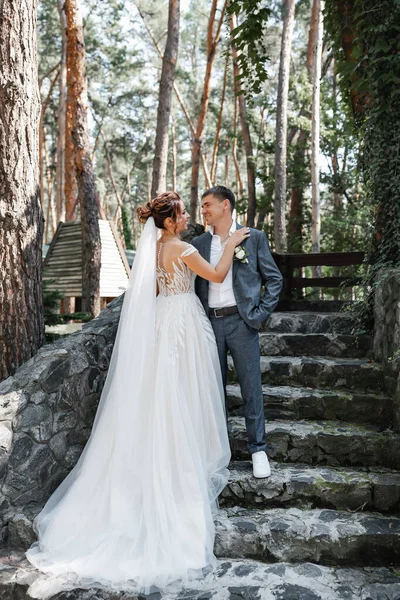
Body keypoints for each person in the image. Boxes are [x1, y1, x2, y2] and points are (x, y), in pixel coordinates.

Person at [25, 191, 250, 599]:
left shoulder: (156, 248)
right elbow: (216, 276)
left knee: (164, 396)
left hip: (163, 322)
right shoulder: (181, 248)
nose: (186, 218)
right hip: (183, 322)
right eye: (181, 214)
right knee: (183, 396)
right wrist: (232, 245)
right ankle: (180, 467)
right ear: (168, 222)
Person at [192, 186, 283, 479]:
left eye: (207, 205)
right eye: (202, 206)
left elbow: (274, 278)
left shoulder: (253, 237)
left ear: (225, 206)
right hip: (209, 324)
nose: (203, 210)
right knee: (211, 390)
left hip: (242, 323)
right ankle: (216, 452)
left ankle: (258, 451)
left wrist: (258, 316)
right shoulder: (198, 244)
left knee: (251, 389)